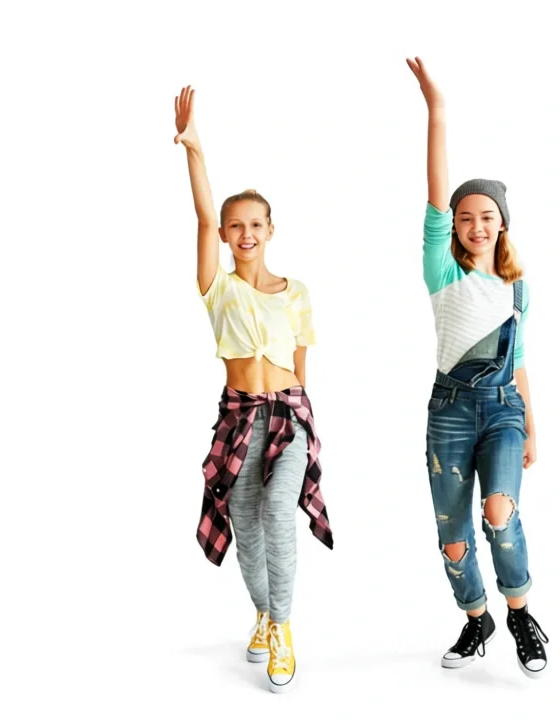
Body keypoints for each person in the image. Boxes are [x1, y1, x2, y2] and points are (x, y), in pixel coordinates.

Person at [172, 85, 333, 694]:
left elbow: (300, 363)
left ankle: (284, 630)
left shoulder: (297, 292)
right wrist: (194, 149)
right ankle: (264, 613)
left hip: (289, 415)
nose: (244, 233)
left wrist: (306, 423)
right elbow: (201, 215)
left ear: (271, 230)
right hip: (238, 418)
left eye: (255, 224)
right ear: (226, 235)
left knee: (276, 512)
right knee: (244, 522)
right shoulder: (219, 288)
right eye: (235, 226)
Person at [406, 57, 550, 678]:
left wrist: (533, 424)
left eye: (485, 216)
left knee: (499, 511)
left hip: (502, 411)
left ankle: (519, 613)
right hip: (450, 413)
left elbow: (519, 360)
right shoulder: (443, 273)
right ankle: (476, 619)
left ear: (501, 225)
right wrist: (436, 108)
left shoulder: (519, 288)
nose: (473, 224)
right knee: (454, 534)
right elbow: (436, 195)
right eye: (465, 217)